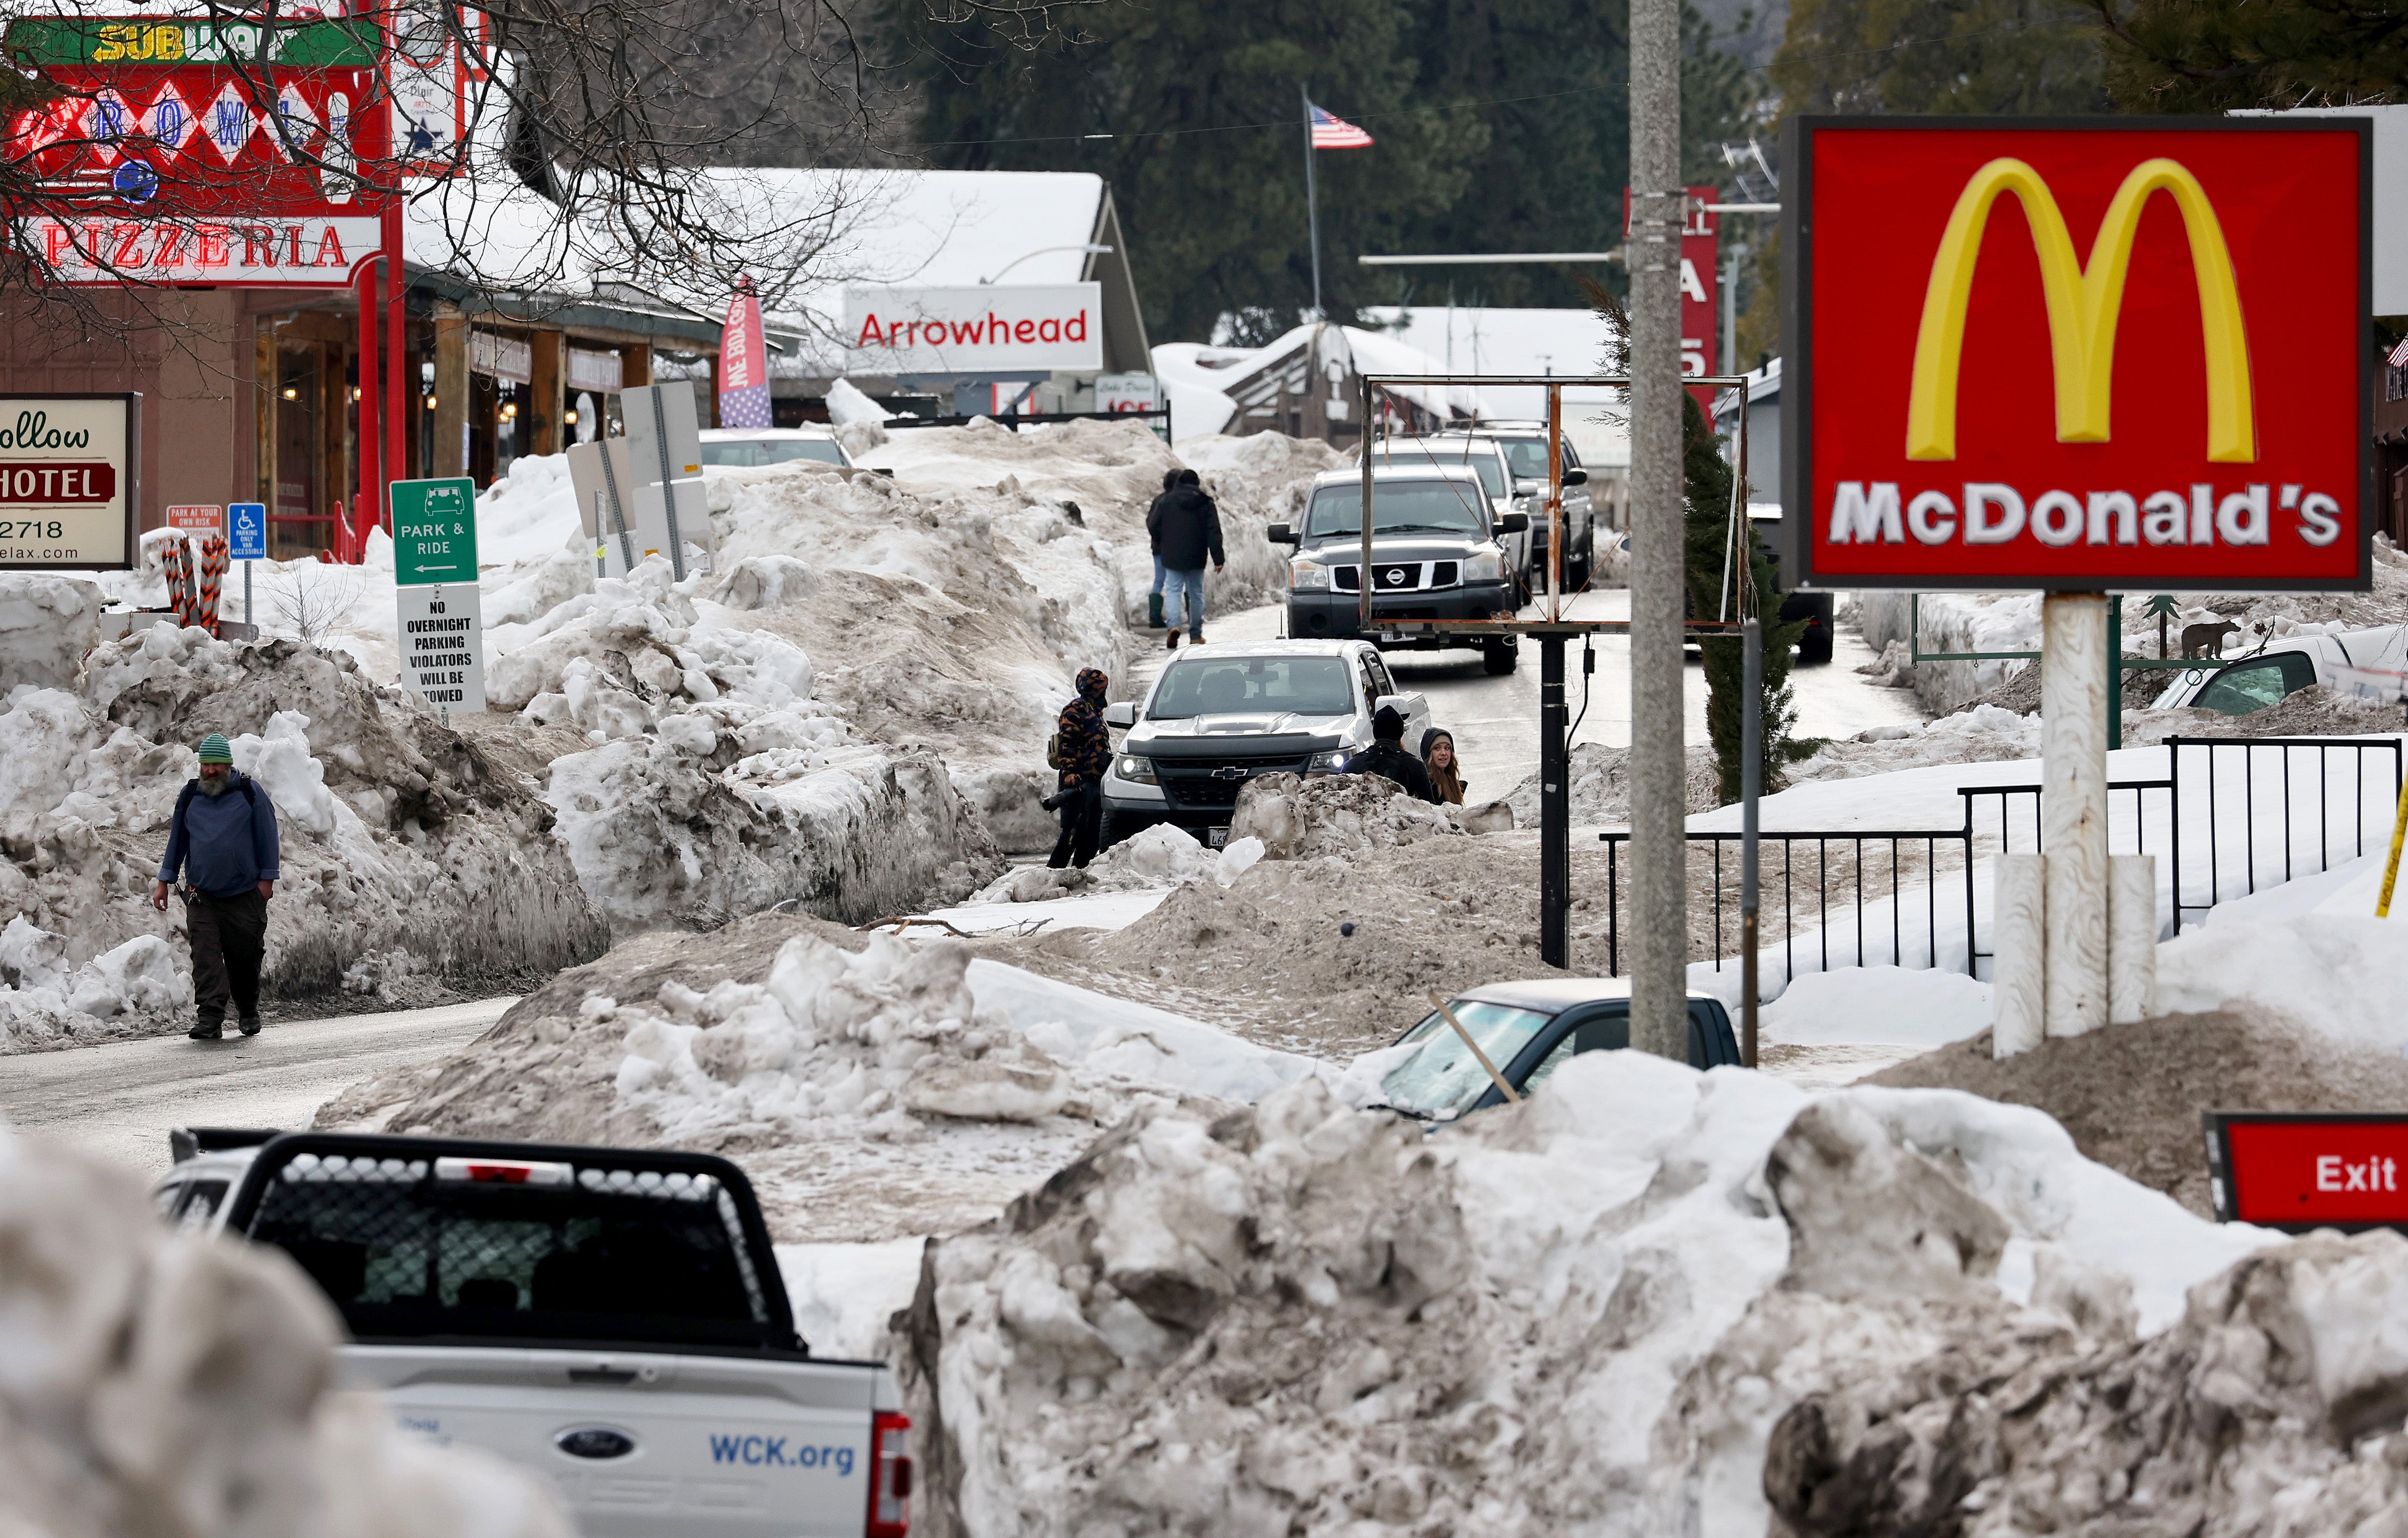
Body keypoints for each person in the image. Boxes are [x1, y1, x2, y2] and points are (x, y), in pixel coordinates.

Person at [150, 733, 279, 1040]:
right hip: (201, 894)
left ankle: (248, 1012)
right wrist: (164, 880)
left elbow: (268, 837)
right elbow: (178, 840)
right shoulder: (191, 795)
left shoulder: (249, 792)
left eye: (217, 765)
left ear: (228, 766)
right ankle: (210, 1018)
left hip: (245, 894)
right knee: (205, 956)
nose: (210, 771)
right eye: (206, 764)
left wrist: (266, 881)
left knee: (244, 958)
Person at [1151, 468, 1224, 648]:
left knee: (1174, 590)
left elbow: (1153, 525)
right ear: (1197, 484)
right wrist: (1218, 558)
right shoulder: (1205, 503)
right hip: (1197, 555)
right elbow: (1214, 532)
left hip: (1172, 554)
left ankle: (1173, 626)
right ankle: (1196, 634)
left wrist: (1163, 541)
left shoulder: (1167, 501)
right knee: (1196, 593)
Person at [1047, 667, 1113, 869]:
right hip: (1078, 782)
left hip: (1095, 782)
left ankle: (1080, 874)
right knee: (1072, 834)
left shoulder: (1095, 712)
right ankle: (1053, 874)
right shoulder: (1075, 710)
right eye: (1101, 690)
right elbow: (1067, 745)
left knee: (1092, 837)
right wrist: (1070, 773)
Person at [1355, 706, 1437, 802]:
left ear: (1375, 733)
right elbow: (1429, 808)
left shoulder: (1353, 764)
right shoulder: (1415, 766)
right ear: (1400, 734)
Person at [1143, 468, 1180, 630]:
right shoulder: (1176, 500)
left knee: (1159, 580)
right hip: (1174, 548)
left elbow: (1150, 522)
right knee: (1179, 581)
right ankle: (1185, 616)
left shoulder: (1158, 500)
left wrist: (1158, 540)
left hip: (1158, 548)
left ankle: (1154, 617)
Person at [1422, 727, 1466, 805]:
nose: (1443, 753)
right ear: (1428, 754)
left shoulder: (1451, 781)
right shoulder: (1427, 786)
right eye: (1437, 748)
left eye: (1447, 748)